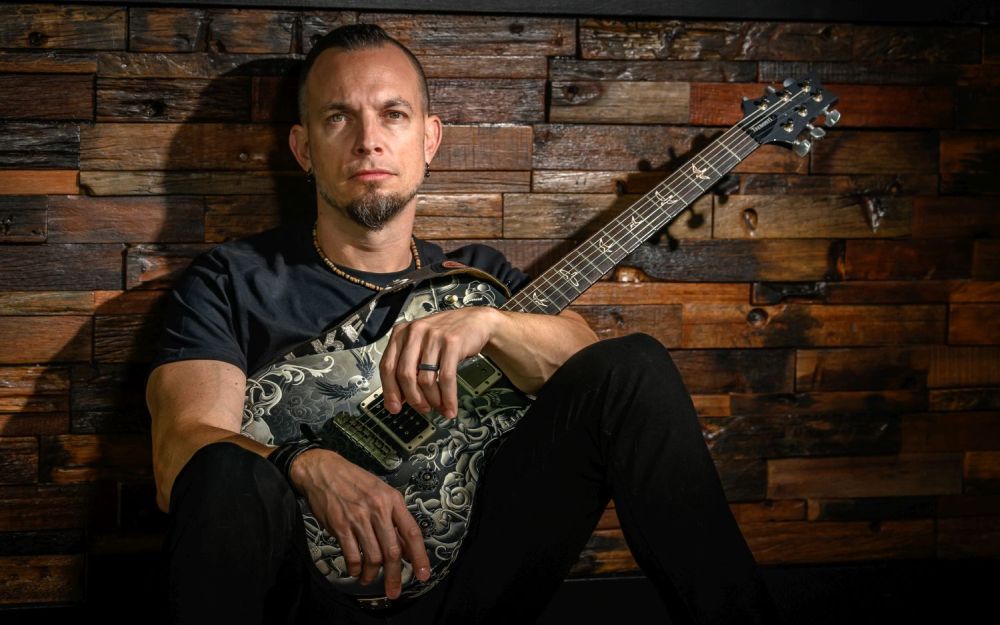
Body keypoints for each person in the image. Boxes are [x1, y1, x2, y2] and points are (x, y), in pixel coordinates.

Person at [146, 23, 780, 625]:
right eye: (339, 117)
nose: (368, 140)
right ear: (303, 148)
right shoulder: (233, 281)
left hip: (472, 586)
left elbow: (598, 374)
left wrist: (492, 324)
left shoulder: (479, 280)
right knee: (225, 468)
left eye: (394, 114)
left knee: (635, 364)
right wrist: (306, 464)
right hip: (299, 598)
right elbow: (182, 457)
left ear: (430, 140)